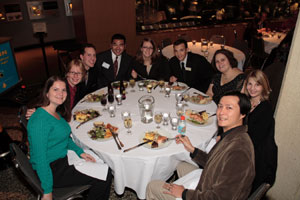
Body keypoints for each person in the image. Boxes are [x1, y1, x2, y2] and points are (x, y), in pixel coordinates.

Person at [146, 91, 255, 200]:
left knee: (152, 186)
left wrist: (184, 193)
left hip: (209, 194)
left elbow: (220, 197)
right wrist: (193, 150)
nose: (221, 112)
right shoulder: (231, 135)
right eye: (220, 106)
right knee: (180, 164)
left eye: (229, 108)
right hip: (210, 182)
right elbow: (214, 163)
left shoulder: (239, 151)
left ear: (242, 114)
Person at [27, 76, 112, 200]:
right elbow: (40, 160)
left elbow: (65, 138)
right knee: (104, 175)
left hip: (63, 157)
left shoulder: (55, 113)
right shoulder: (39, 120)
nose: (60, 94)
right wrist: (47, 191)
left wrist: (80, 152)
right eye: (55, 89)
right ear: (46, 93)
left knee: (104, 161)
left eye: (63, 90)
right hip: (51, 169)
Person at [244, 70, 278, 194]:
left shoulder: (266, 108)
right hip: (245, 148)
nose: (252, 88)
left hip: (256, 158)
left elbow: (254, 139)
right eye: (250, 84)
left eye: (257, 85)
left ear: (264, 86)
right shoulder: (246, 102)